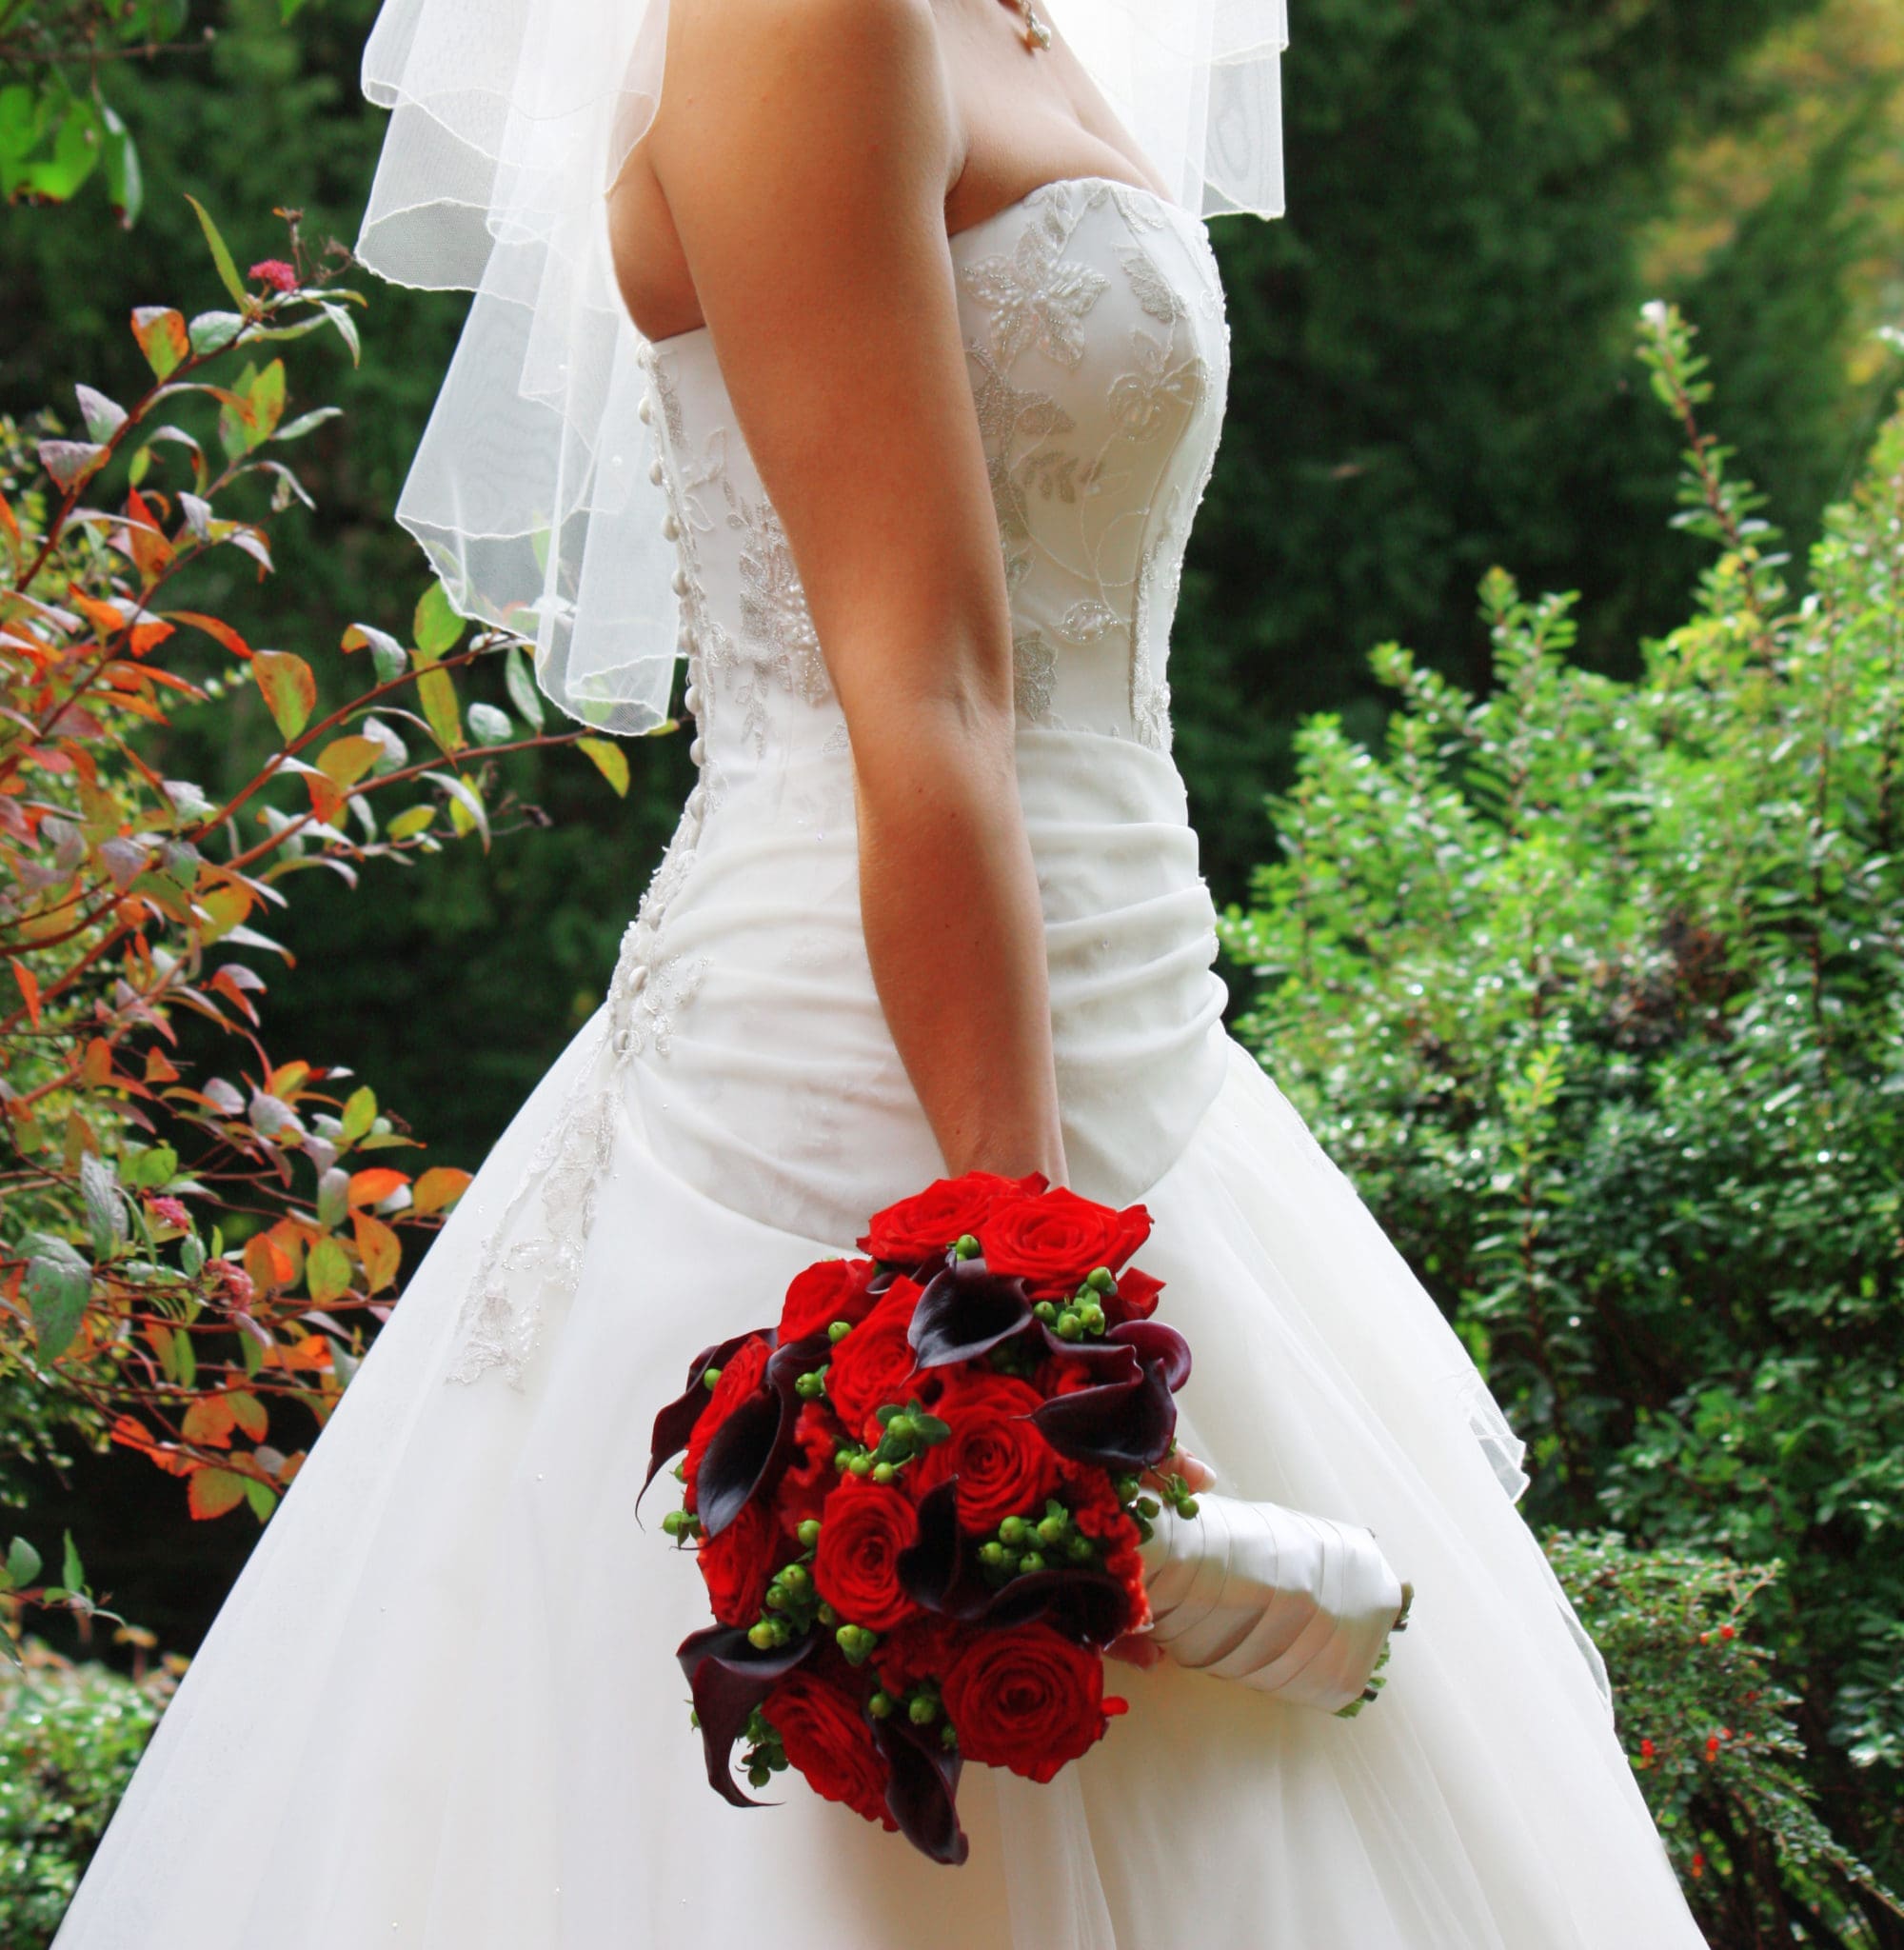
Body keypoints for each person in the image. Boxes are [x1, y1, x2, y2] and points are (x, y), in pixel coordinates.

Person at [52, 0, 1713, 1943]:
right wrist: (1033, 1298)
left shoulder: (1024, 25)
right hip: (850, 1093)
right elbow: (918, 688)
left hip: (1144, 1033)